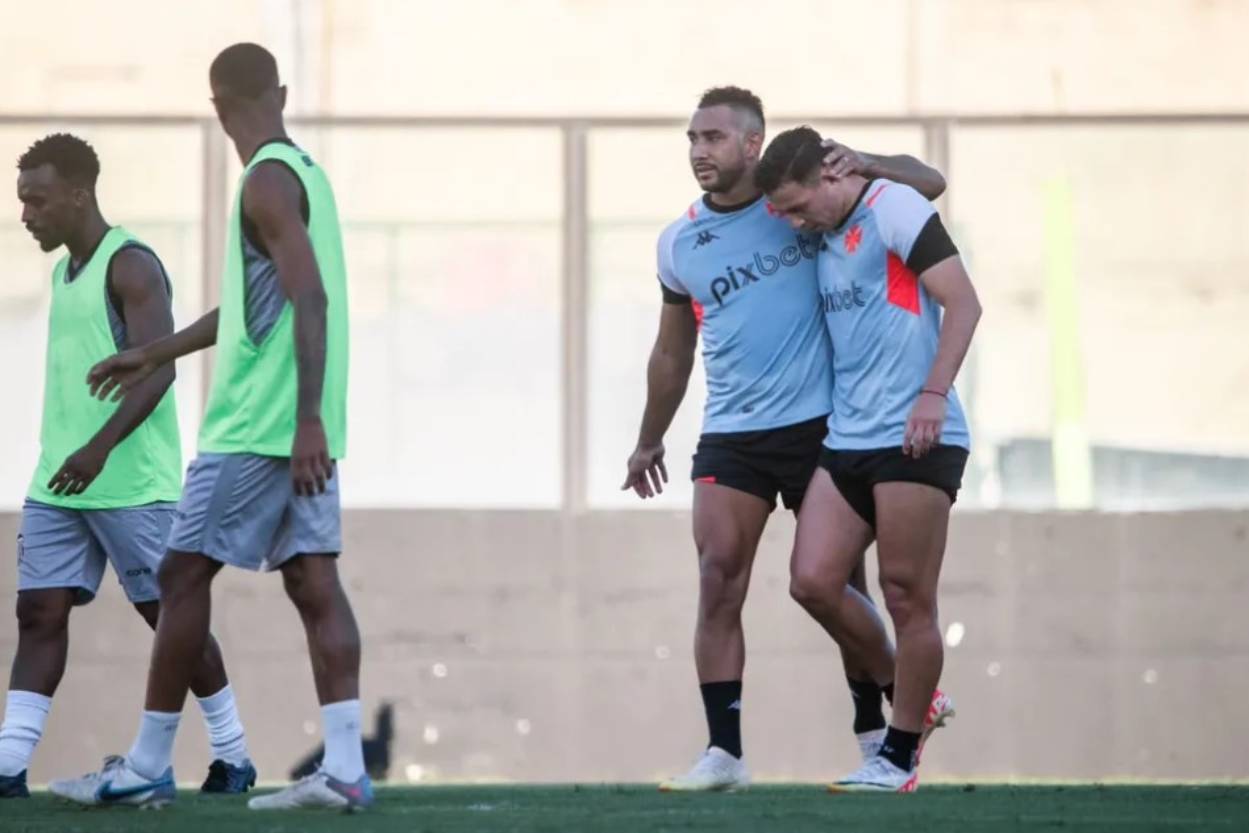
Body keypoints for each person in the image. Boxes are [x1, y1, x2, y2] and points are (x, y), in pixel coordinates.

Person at [51, 43, 369, 811]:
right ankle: (348, 769)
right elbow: (261, 300)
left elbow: (312, 300)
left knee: (181, 573)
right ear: (281, 93)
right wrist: (155, 349)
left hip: (261, 426)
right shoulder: (305, 177)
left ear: (217, 104)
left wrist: (304, 423)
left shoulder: (262, 181)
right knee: (313, 579)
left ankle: (148, 762)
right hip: (297, 425)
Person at [622, 87, 951, 792]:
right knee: (716, 577)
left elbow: (926, 186)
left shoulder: (806, 202)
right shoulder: (677, 241)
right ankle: (723, 752)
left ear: (752, 144)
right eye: (690, 138)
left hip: (823, 425)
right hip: (732, 432)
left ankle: (876, 730)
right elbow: (671, 351)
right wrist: (649, 438)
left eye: (713, 137)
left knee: (838, 585)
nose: (698, 150)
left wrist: (861, 158)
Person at [0, 133, 255, 800]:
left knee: (169, 619)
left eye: (37, 200)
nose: (26, 214)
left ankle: (233, 755)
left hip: (130, 486)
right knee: (38, 614)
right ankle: (7, 766)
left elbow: (160, 369)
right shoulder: (64, 270)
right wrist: (71, 455)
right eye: (21, 200)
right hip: (59, 483)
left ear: (79, 195)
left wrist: (100, 447)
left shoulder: (131, 265)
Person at [755, 125, 981, 792]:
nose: (795, 221)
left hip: (915, 435)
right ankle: (907, 688)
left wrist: (932, 394)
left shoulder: (892, 206)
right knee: (813, 580)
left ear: (832, 175)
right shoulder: (824, 230)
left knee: (907, 597)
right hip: (849, 437)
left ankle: (899, 755)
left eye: (798, 205)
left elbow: (963, 302)